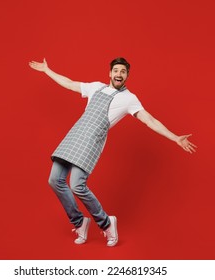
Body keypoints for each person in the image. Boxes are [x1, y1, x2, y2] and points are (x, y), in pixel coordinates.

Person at [28, 57, 197, 247]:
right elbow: (69, 83)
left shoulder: (129, 99)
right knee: (54, 180)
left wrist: (175, 137)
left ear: (127, 76)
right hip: (74, 136)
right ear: (110, 73)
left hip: (91, 141)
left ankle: (107, 223)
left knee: (77, 186)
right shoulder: (95, 87)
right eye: (116, 70)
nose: (119, 74)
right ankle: (79, 222)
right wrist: (47, 70)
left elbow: (149, 120)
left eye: (123, 72)